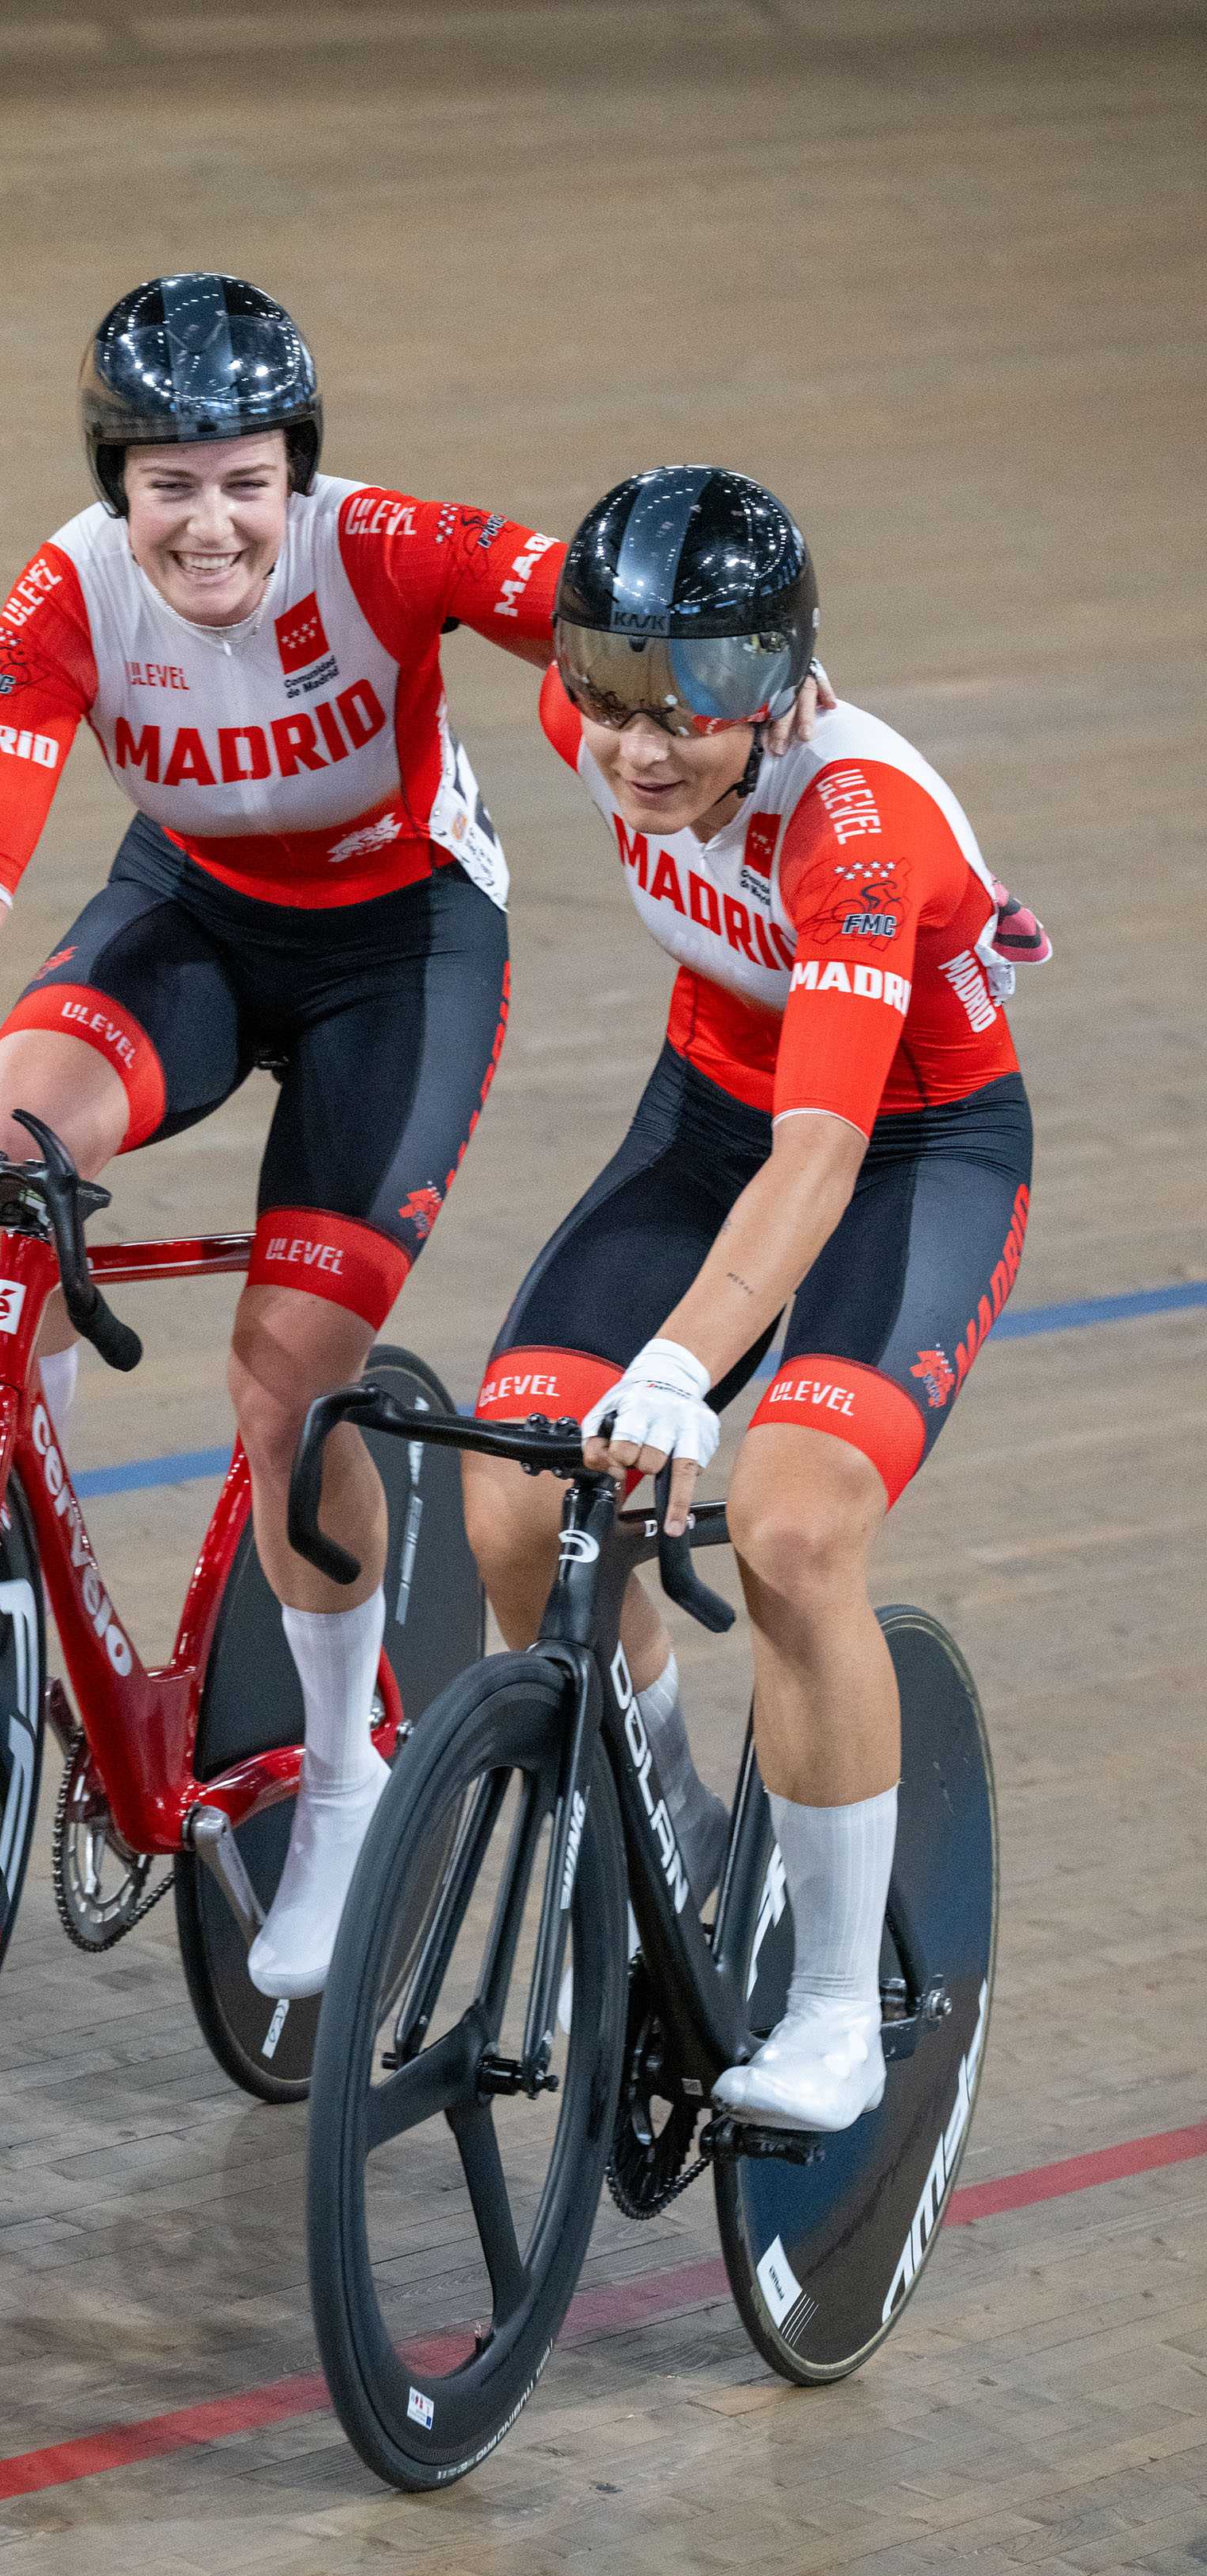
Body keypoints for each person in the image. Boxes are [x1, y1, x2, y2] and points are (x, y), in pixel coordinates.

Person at [0, 272, 666, 2002]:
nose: (212, 519)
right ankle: (17, 1554)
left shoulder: (383, 545)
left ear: (295, 472)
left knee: (281, 1381)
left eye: (246, 477)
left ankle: (339, 1776)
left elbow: (609, 603)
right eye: (169, 484)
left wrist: (757, 691)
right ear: (115, 485)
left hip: (401, 951)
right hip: (197, 911)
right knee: (13, 1138)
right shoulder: (66, 593)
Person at [464, 466, 1046, 2130]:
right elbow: (453, 579)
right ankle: (680, 1860)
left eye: (701, 704)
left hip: (904, 1150)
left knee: (791, 1530)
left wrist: (677, 1366)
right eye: (615, 695)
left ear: (785, 683)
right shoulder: (607, 707)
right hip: (715, 1109)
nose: (649, 746)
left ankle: (832, 2011)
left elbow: (822, 1156)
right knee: (515, 1491)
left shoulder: (861, 826)